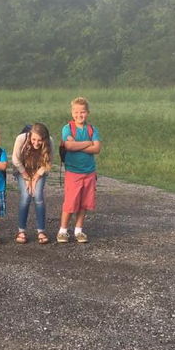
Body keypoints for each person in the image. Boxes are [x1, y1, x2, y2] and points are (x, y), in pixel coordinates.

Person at [57, 97, 101, 244]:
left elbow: (97, 148)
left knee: (84, 203)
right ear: (72, 113)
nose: (79, 115)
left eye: (82, 112)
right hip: (73, 172)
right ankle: (63, 231)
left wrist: (79, 144)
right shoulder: (67, 128)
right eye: (76, 112)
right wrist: (88, 143)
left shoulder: (92, 129)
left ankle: (78, 230)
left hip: (89, 172)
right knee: (70, 202)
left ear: (87, 113)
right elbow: (69, 146)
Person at [11, 123, 53, 244]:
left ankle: (41, 231)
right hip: (22, 169)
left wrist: (35, 177)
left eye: (39, 140)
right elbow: (15, 160)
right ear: (30, 136)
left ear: (44, 139)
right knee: (26, 195)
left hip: (39, 169)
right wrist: (27, 177)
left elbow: (49, 162)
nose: (36, 143)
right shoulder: (21, 139)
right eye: (34, 139)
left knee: (38, 195)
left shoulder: (50, 141)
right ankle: (21, 230)